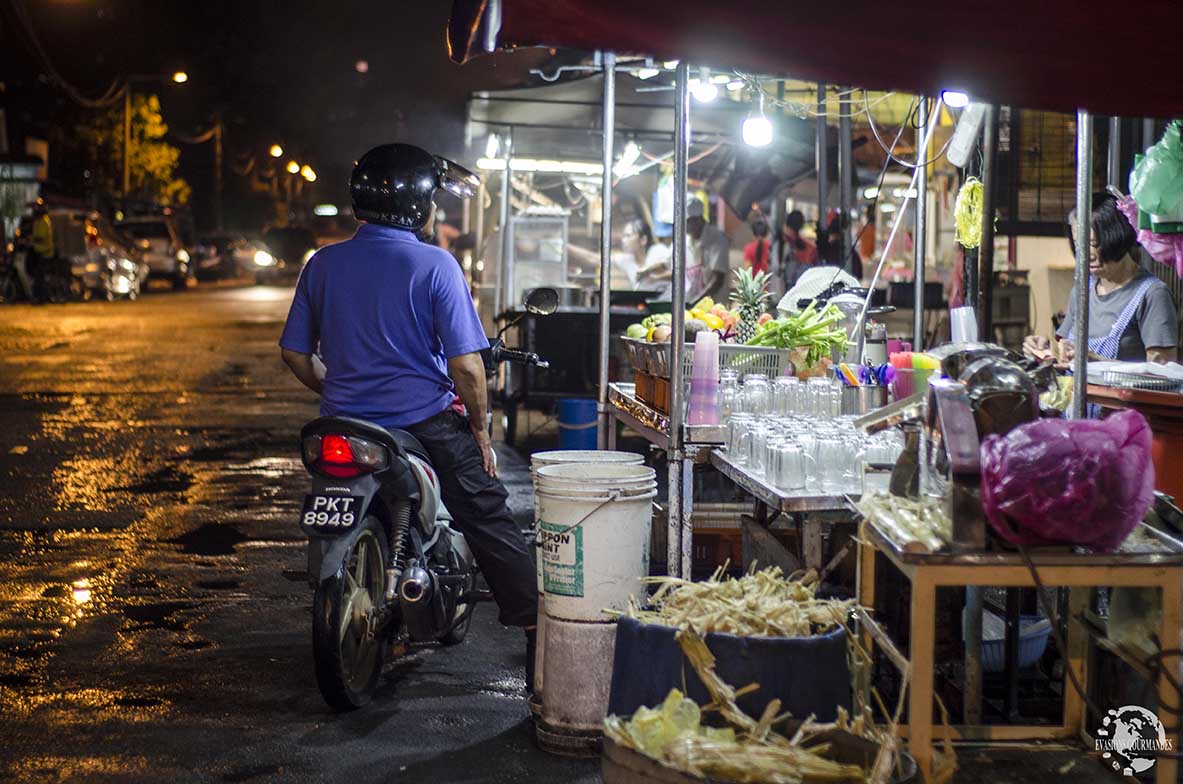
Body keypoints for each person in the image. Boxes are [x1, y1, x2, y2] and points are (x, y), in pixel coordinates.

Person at [278, 143, 538, 681]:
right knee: (486, 509)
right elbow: (467, 367)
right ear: (420, 203)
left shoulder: (323, 263)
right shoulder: (436, 264)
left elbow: (295, 354)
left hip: (344, 424)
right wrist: (480, 429)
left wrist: (337, 391)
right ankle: (540, 630)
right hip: (422, 423)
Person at [1023, 193, 1178, 364]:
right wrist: (1044, 348)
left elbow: (1163, 374)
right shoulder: (1081, 292)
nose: (1087, 255)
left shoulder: (1152, 295)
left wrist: (1098, 361)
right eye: (1078, 245)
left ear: (1118, 239)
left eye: (1095, 244)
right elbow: (1062, 351)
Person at [686, 198, 730, 303]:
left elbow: (718, 280)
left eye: (689, 222)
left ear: (699, 220)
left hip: (715, 305)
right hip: (693, 304)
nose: (687, 227)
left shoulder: (717, 239)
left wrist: (696, 301)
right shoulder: (689, 239)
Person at [780, 209, 818, 290]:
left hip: (783, 288)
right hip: (803, 288)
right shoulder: (811, 248)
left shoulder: (780, 243)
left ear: (786, 224)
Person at [29, 202, 54, 302]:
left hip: (45, 253)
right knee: (38, 276)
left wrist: (31, 240)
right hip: (38, 252)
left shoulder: (44, 221)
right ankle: (39, 297)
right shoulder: (37, 222)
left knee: (40, 277)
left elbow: (41, 238)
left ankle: (42, 298)